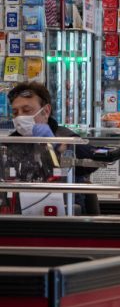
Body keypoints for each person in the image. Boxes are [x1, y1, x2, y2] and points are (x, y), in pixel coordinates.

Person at [8, 82, 100, 214]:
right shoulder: (10, 143)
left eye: (26, 110)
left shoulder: (65, 136)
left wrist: (55, 143)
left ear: (46, 111)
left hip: (65, 217)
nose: (20, 117)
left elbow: (93, 160)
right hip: (18, 218)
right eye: (15, 112)